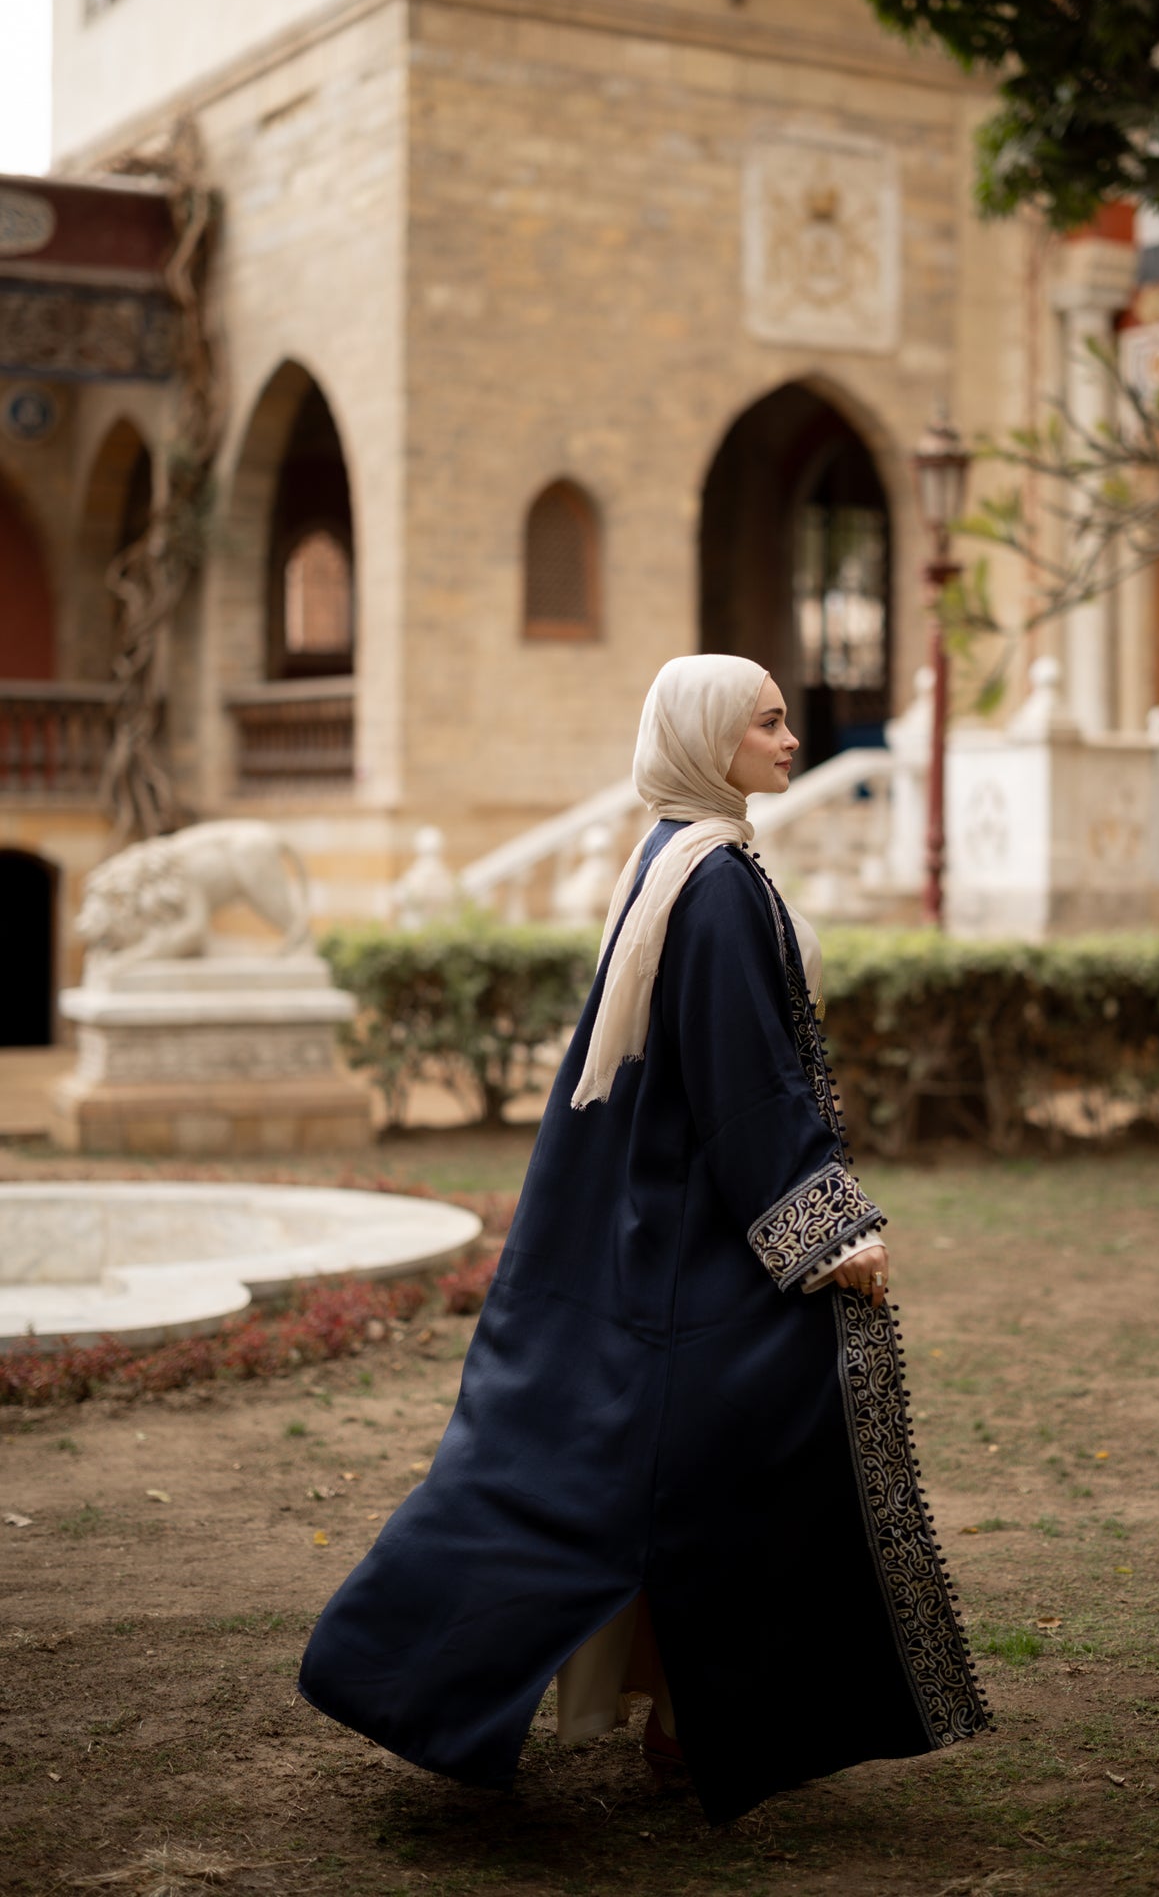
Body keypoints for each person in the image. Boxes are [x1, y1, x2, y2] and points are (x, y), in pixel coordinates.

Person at [299, 654, 990, 1824]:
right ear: (707, 739)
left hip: (674, 1231)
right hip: (688, 1246)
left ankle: (684, 1717)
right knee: (679, 1464)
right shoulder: (707, 875)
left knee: (678, 1476)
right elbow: (739, 1084)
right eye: (765, 721)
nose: (788, 736)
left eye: (783, 717)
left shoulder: (686, 853)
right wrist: (827, 1230)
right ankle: (523, 1690)